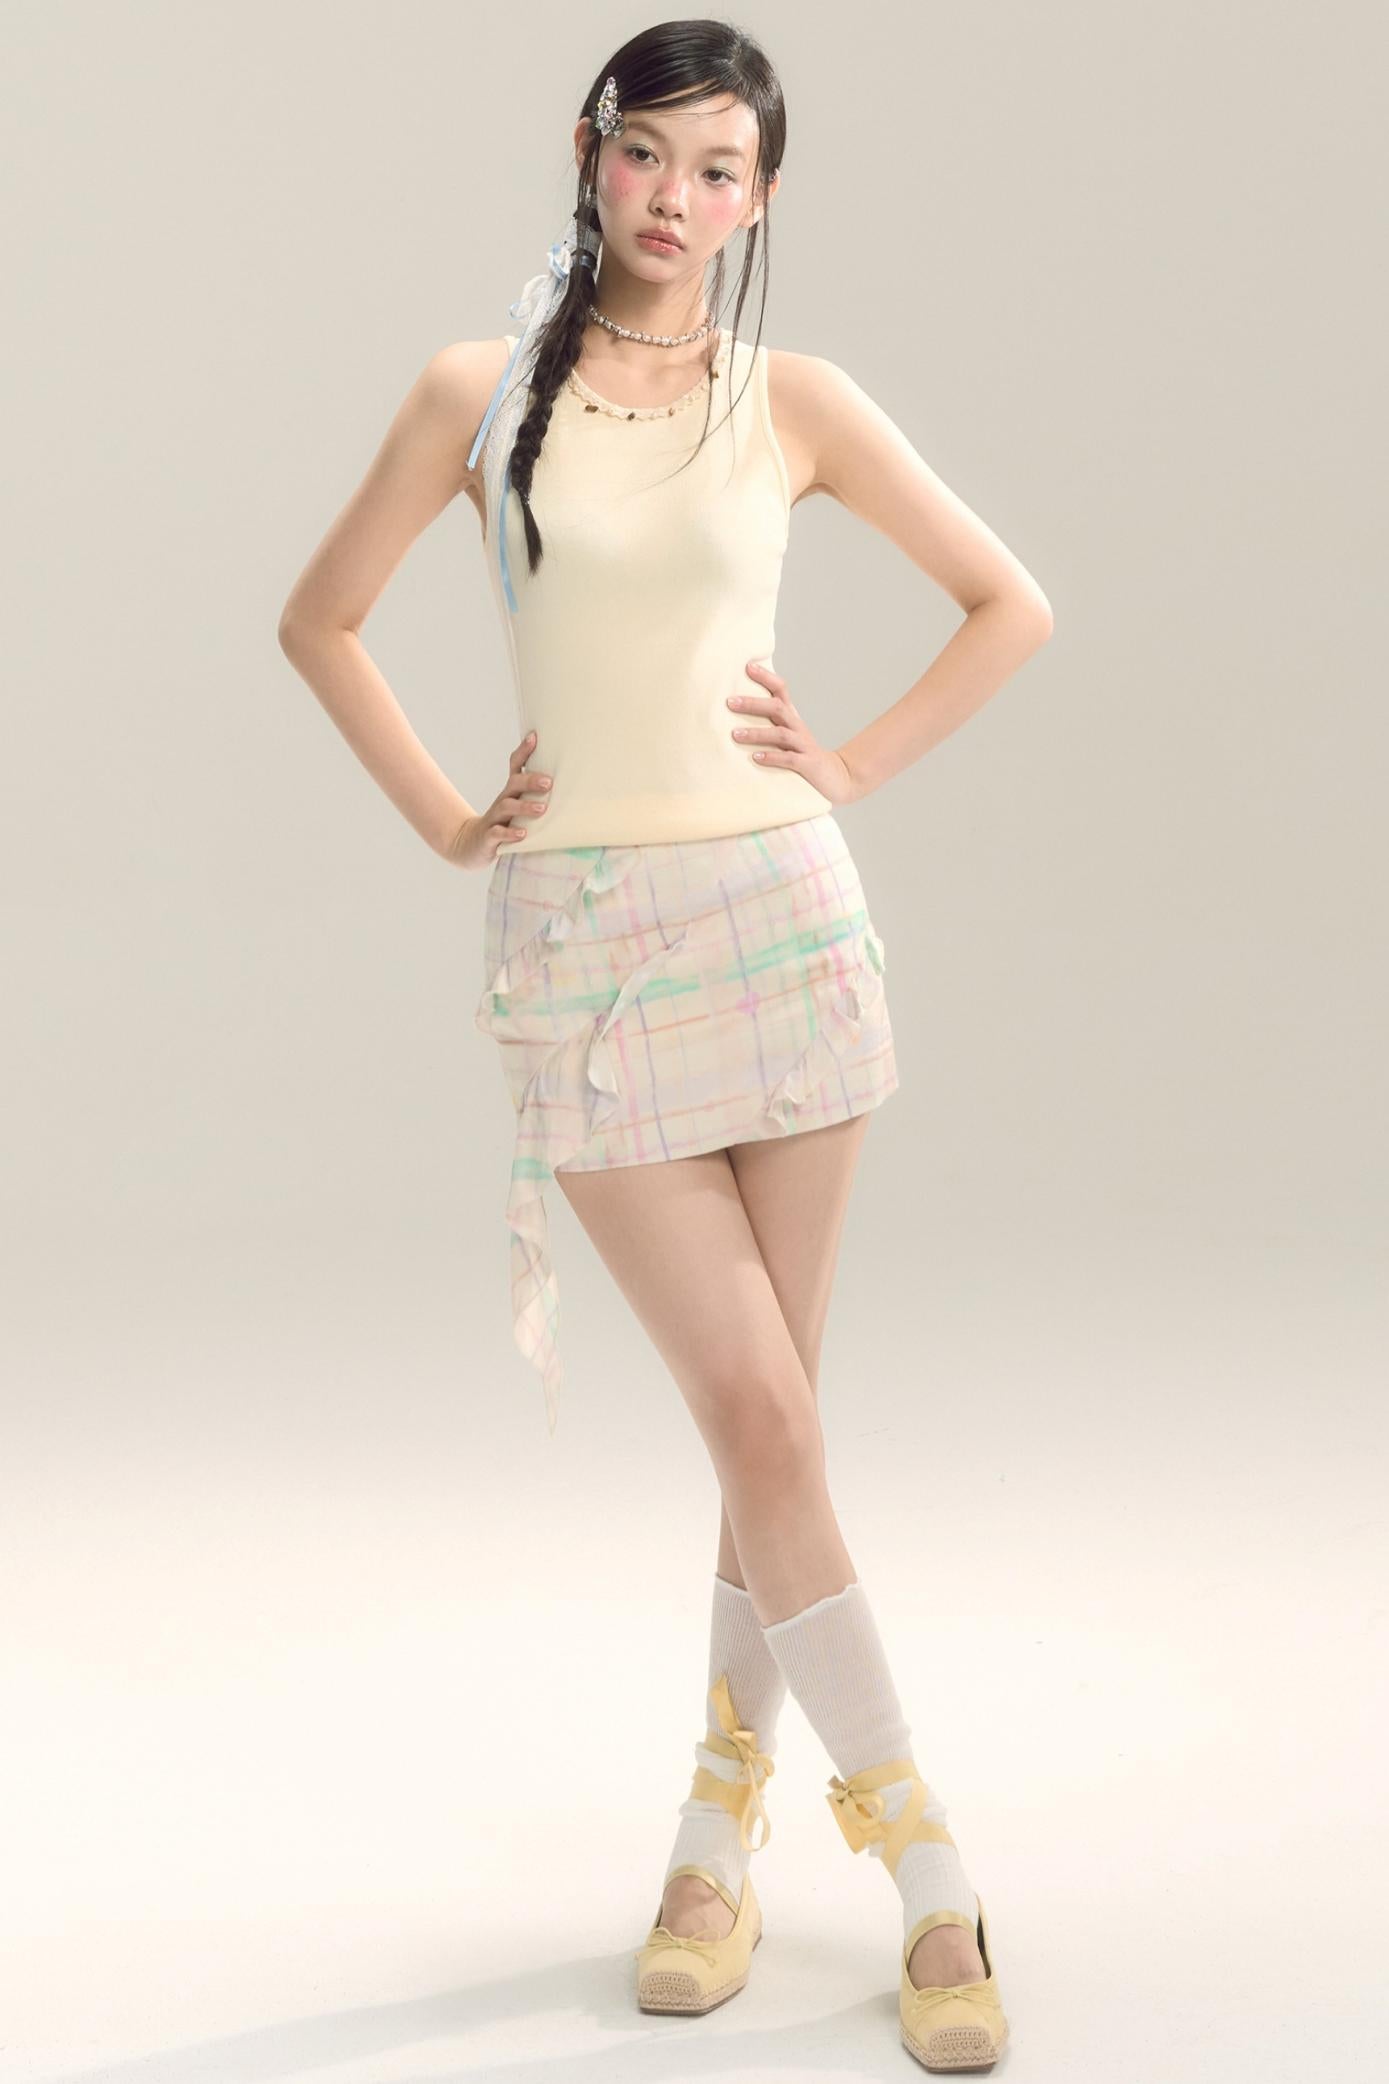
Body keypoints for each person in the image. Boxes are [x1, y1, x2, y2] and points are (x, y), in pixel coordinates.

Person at [278, 21, 1052, 2071]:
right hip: (584, 947)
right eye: (647, 155)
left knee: (765, 1428)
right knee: (761, 1418)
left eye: (720, 172)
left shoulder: (791, 400)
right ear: (588, 152)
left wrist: (848, 762)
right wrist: (454, 818)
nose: (676, 201)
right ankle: (926, 1862)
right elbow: (319, 617)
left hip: (783, 926)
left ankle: (714, 1836)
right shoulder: (470, 394)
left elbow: (1009, 602)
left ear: (760, 198)